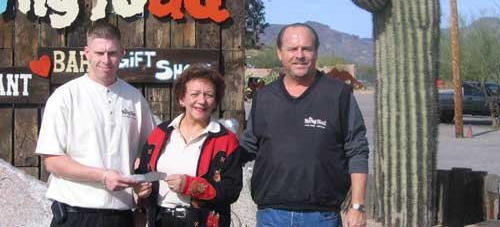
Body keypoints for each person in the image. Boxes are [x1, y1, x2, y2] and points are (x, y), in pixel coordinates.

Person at [240, 23, 369, 227]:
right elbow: (247, 147)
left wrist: (357, 207)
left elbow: (358, 150)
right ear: (280, 53)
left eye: (306, 49)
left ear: (316, 53)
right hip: (271, 215)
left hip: (322, 217)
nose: (299, 55)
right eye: (292, 49)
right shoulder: (264, 97)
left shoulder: (338, 95)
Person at [35, 22, 156, 227]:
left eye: (112, 53)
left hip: (121, 217)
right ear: (87, 53)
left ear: (122, 53)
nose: (106, 60)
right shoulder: (65, 96)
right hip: (75, 215)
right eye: (99, 53)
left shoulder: (135, 99)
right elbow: (52, 161)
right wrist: (102, 176)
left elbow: (151, 153)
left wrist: (143, 185)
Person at [135, 64, 242, 227]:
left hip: (204, 221)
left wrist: (191, 186)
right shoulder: (160, 133)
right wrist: (142, 190)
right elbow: (144, 172)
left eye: (209, 95)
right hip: (160, 220)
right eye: (195, 94)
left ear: (215, 102)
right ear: (181, 98)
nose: (202, 101)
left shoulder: (226, 140)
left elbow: (231, 190)